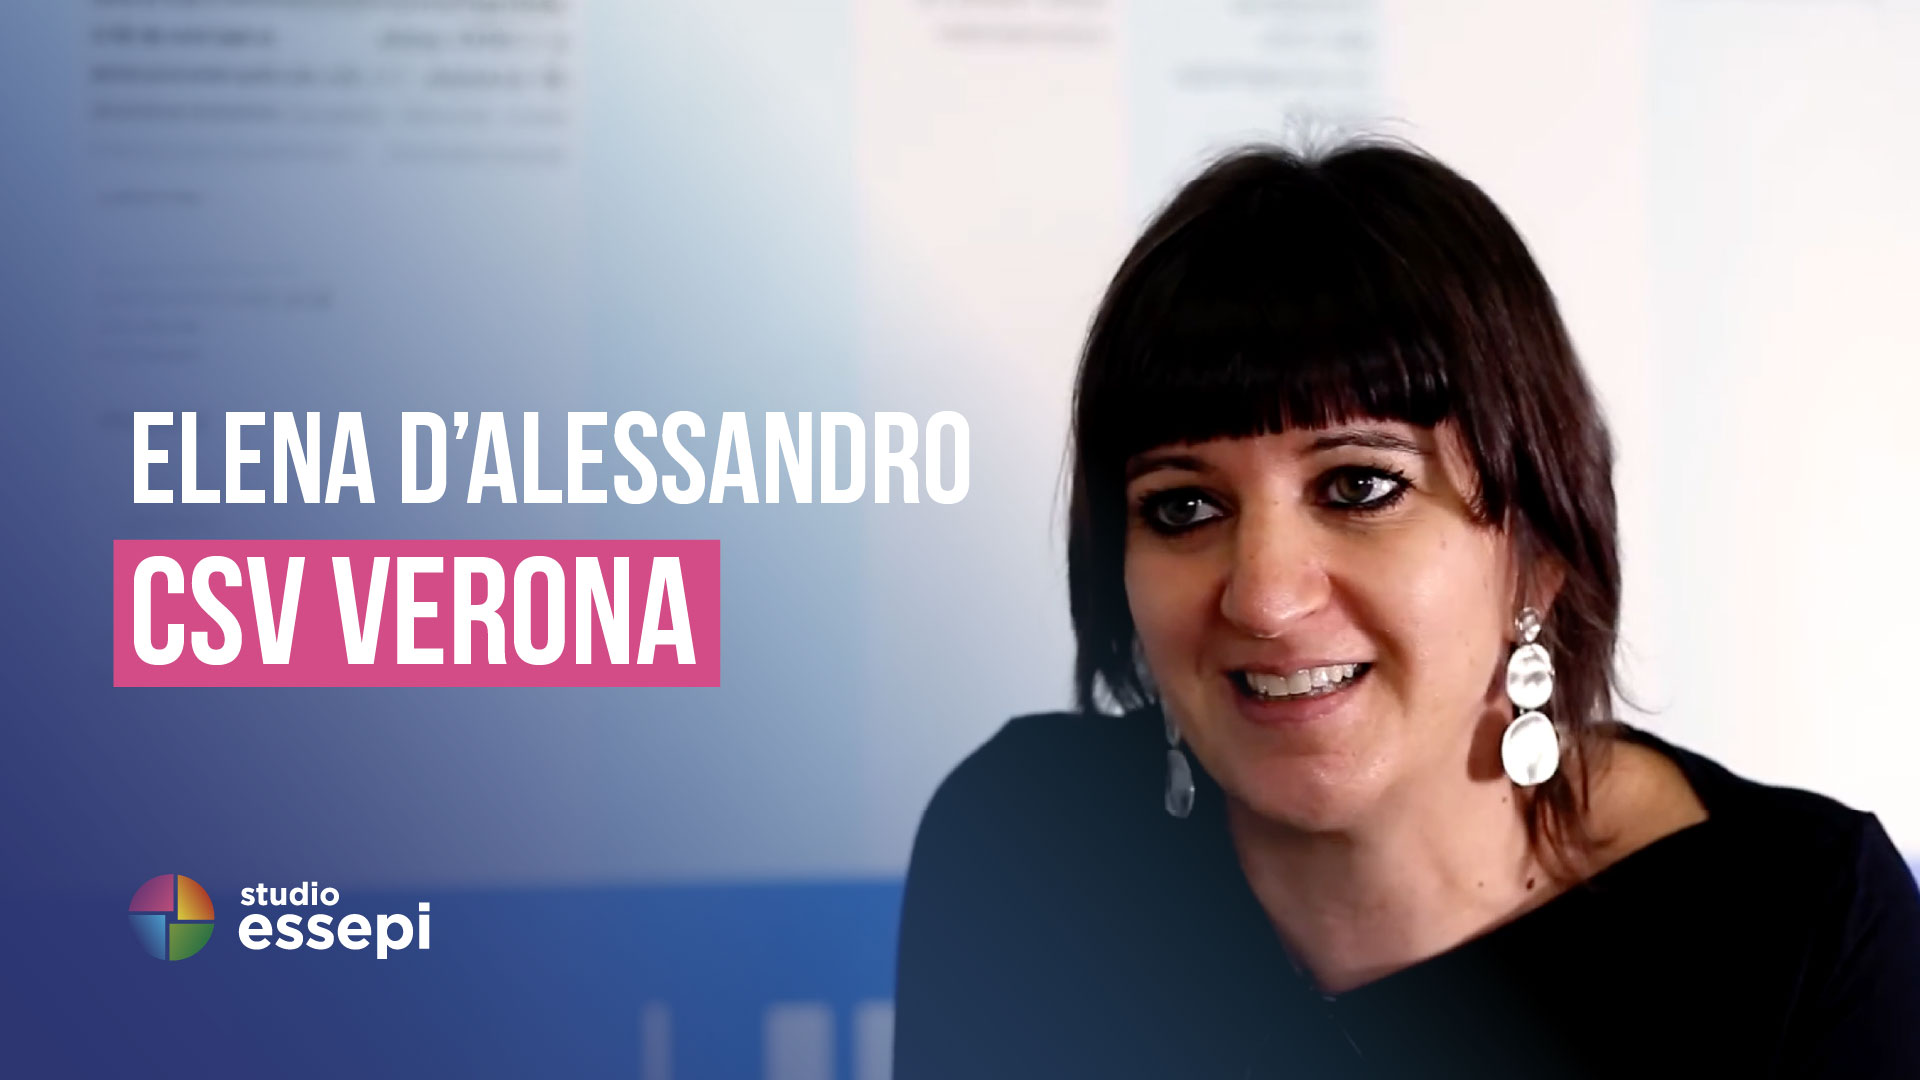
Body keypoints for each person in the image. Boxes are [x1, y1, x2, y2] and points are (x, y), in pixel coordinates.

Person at [891, 139, 1920, 1078]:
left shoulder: (1808, 932)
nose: (1265, 596)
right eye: (1184, 506)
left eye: (1359, 487)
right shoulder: (1026, 847)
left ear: (1538, 551)